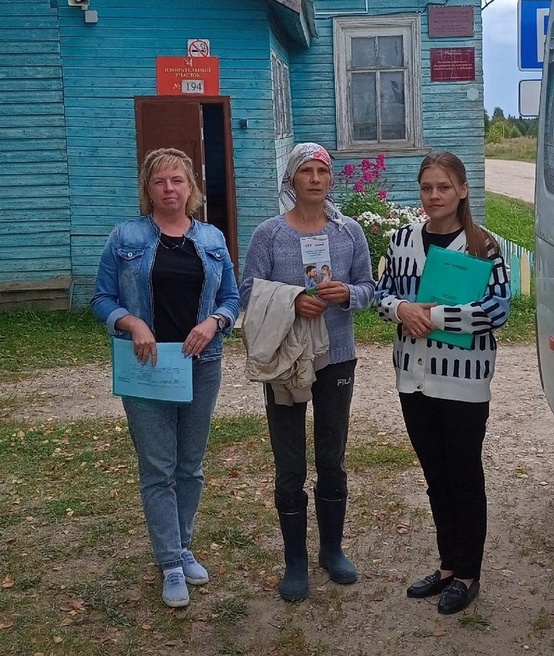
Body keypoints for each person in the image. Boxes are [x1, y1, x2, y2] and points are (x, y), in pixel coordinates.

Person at [91, 148, 240, 609]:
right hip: (147, 367)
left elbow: (232, 297)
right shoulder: (125, 237)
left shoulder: (212, 238)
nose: (169, 189)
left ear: (191, 187)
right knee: (158, 467)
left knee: (190, 466)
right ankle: (171, 562)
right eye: (160, 181)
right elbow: (101, 298)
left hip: (202, 363)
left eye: (177, 180)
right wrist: (131, 322)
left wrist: (215, 321)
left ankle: (183, 545)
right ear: (148, 189)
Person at [376, 151, 510, 615]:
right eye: (427, 187)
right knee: (436, 477)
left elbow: (497, 309)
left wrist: (433, 317)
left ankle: (469, 573)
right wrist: (401, 309)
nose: (434, 196)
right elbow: (382, 295)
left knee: (464, 476)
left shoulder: (482, 246)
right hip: (413, 380)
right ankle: (448, 565)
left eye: (444, 187)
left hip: (463, 383)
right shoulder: (402, 240)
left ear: (462, 191)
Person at [239, 142, 375, 602]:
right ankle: (294, 561)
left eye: (322, 171)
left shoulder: (349, 232)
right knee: (290, 462)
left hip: (336, 355)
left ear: (330, 179)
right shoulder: (270, 234)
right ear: (291, 180)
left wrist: (347, 295)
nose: (315, 179)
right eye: (306, 171)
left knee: (332, 457)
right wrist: (292, 300)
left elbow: (369, 288)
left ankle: (332, 550)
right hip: (286, 358)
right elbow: (248, 290)